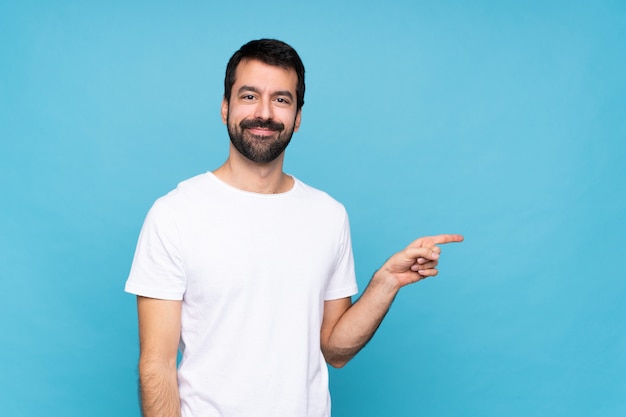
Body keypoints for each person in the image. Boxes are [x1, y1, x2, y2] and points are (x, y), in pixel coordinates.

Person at [125, 38, 463, 417]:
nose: (264, 113)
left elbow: (334, 350)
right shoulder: (175, 214)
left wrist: (385, 283)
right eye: (249, 96)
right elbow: (156, 365)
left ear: (298, 117)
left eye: (282, 100)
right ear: (225, 107)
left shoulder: (328, 215)